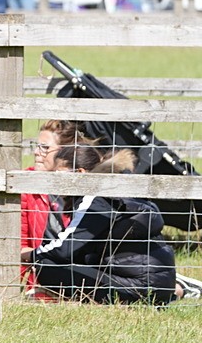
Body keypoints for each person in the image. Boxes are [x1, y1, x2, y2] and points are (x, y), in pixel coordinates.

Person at [25, 122, 177, 306]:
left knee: (46, 268)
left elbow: (66, 248)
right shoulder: (115, 188)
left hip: (138, 286)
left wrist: (30, 256)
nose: (57, 181)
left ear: (80, 173)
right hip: (154, 283)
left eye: (60, 174)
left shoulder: (95, 198)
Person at [21, 121, 69, 293]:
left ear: (64, 152)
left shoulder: (81, 187)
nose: (36, 152)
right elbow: (20, 243)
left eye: (44, 147)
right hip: (40, 283)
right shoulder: (25, 183)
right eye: (36, 146)